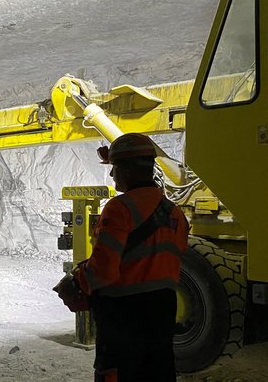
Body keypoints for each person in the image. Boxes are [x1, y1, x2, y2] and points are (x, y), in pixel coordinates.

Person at [73, 133, 189, 382]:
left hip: (124, 316)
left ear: (126, 169)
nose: (113, 174)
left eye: (114, 167)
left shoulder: (120, 208)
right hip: (163, 311)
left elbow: (104, 271)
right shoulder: (176, 213)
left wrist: (76, 280)